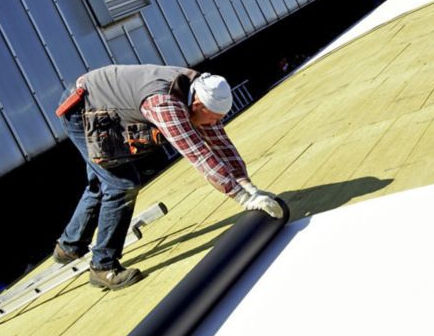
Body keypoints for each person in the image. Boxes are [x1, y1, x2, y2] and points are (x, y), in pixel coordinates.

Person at [54, 64, 284, 290]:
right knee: (121, 185)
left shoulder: (201, 92)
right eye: (212, 118)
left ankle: (69, 245)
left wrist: (248, 186)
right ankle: (102, 266)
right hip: (81, 108)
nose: (214, 123)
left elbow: (220, 143)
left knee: (100, 180)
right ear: (196, 104)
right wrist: (243, 198)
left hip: (96, 95)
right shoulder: (164, 104)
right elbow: (199, 155)